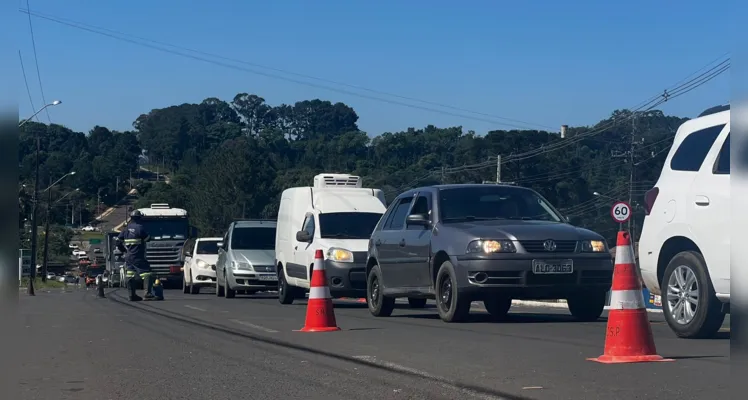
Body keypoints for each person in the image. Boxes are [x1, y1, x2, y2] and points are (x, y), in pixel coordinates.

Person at [116, 210, 153, 301]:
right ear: (139, 218)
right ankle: (147, 294)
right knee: (147, 273)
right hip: (138, 255)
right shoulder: (140, 228)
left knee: (130, 275)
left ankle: (131, 295)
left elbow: (118, 242)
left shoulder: (126, 229)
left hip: (129, 256)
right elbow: (148, 239)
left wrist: (124, 250)